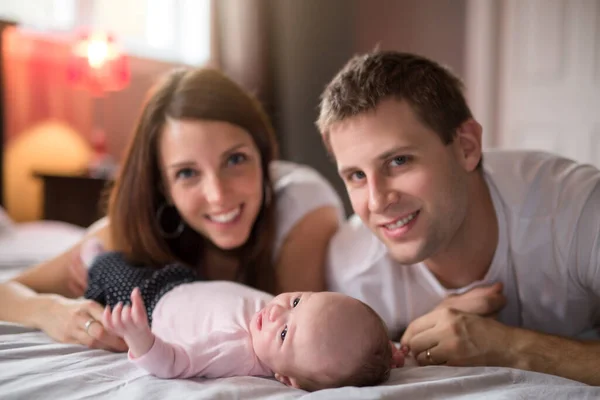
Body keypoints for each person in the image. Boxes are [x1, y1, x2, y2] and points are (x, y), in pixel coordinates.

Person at [0, 68, 344, 352]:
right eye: (187, 173)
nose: (217, 195)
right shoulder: (134, 227)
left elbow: (292, 348)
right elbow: (7, 290)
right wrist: (53, 311)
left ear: (264, 154)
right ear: (162, 185)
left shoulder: (302, 204)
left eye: (235, 159)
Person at [318, 50, 600, 385]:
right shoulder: (353, 271)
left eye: (399, 161)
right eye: (356, 176)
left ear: (466, 146)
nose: (377, 202)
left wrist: (509, 347)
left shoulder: (579, 209)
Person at [98, 275, 405, 391]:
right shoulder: (272, 324)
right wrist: (389, 350)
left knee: (105, 267)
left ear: (286, 379)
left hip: (150, 300)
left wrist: (140, 338)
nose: (276, 312)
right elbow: (361, 343)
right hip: (184, 278)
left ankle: (90, 260)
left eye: (284, 334)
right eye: (297, 301)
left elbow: (174, 363)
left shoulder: (236, 351)